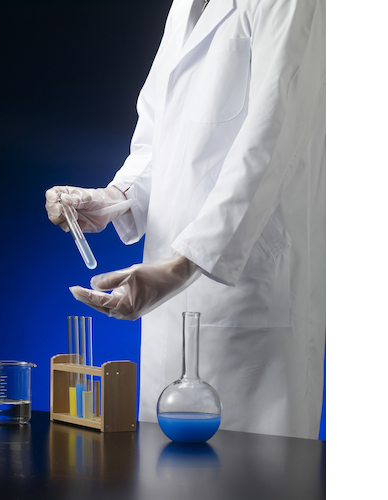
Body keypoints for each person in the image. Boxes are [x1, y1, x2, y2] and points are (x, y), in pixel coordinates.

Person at [45, 0, 325, 439]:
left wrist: (181, 266)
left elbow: (271, 140)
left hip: (247, 299)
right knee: (161, 466)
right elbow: (159, 133)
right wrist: (115, 197)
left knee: (255, 469)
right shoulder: (185, 6)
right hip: (166, 296)